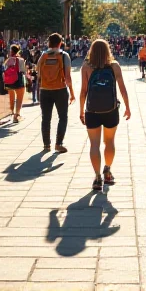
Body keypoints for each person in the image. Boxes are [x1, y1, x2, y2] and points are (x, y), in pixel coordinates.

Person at [79, 39, 131, 191]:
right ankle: (107, 170)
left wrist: (81, 110)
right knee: (109, 141)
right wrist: (127, 107)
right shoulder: (114, 66)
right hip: (111, 110)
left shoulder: (87, 67)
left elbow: (83, 91)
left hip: (92, 111)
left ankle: (97, 177)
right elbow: (122, 89)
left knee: (94, 144)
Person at [37, 32, 75, 152]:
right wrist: (72, 93)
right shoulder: (64, 56)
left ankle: (46, 145)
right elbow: (68, 77)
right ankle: (58, 143)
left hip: (45, 90)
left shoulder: (43, 56)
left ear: (49, 43)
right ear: (60, 43)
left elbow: (38, 72)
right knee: (63, 117)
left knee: (45, 118)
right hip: (60, 90)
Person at [3, 45, 26, 122]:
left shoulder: (8, 60)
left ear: (11, 51)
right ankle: (16, 115)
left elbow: (4, 70)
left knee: (11, 96)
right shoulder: (21, 60)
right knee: (19, 98)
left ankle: (12, 111)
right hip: (18, 81)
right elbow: (23, 71)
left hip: (9, 82)